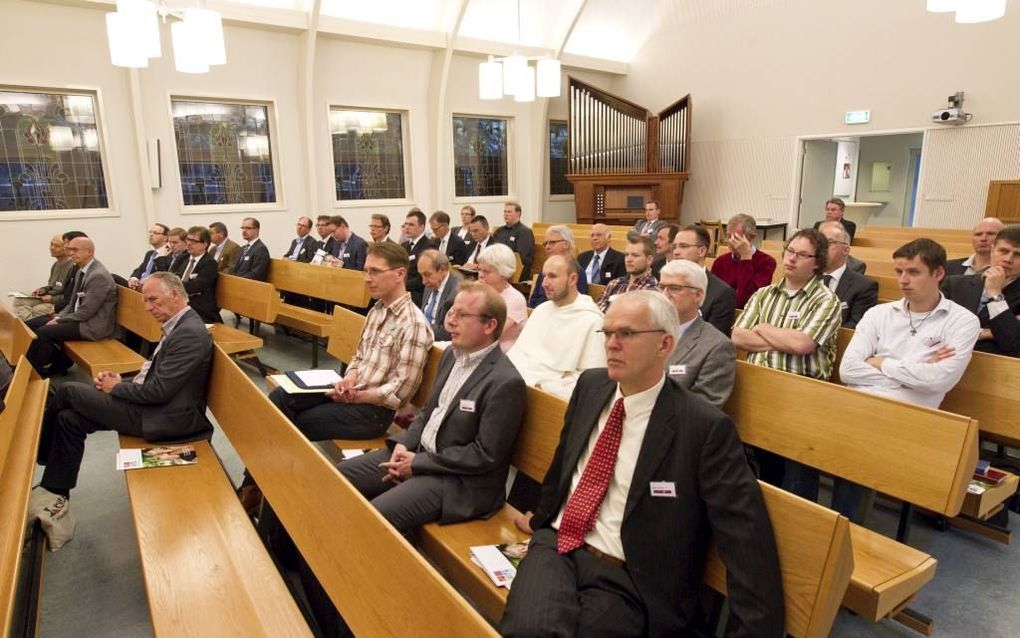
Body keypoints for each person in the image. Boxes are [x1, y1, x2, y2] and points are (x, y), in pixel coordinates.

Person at [501, 290, 784, 638]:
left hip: (629, 578)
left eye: (627, 334)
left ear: (665, 345)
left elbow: (746, 540)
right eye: (607, 333)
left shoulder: (703, 427)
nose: (612, 344)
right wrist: (542, 515)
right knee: (527, 629)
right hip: (558, 545)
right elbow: (564, 464)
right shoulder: (591, 386)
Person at [296, 283, 527, 636]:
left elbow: (485, 455)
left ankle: (353, 620)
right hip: (420, 456)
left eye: (461, 315)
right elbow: (428, 412)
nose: (450, 321)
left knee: (374, 520)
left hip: (460, 482)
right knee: (336, 479)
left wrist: (416, 465)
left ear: (490, 326)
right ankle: (315, 581)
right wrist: (405, 445)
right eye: (451, 311)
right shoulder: (451, 355)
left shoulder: (504, 381)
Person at [28, 272, 214, 549]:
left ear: (175, 295)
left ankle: (37, 453)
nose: (148, 307)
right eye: (146, 301)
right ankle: (55, 490)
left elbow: (158, 392)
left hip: (163, 419)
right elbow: (153, 378)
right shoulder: (179, 323)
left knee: (68, 391)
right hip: (153, 407)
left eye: (153, 300)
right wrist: (121, 382)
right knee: (68, 419)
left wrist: (116, 388)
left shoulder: (189, 333)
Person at [839, 238, 980, 521]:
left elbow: (940, 381)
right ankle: (825, 525)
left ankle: (847, 528)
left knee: (853, 447)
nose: (903, 280)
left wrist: (882, 362)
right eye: (899, 271)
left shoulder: (962, 321)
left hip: (914, 418)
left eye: (913, 272)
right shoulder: (878, 314)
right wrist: (913, 372)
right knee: (807, 435)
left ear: (938, 274)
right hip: (862, 409)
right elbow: (848, 371)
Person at [266, 242, 433, 441]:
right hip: (353, 392)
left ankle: (264, 470)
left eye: (375, 272)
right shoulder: (377, 310)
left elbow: (401, 392)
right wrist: (350, 377)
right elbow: (360, 355)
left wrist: (356, 396)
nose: (367, 279)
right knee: (281, 397)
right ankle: (260, 470)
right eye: (366, 271)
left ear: (399, 274)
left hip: (373, 412)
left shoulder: (413, 324)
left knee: (300, 422)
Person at [732, 229, 841, 488]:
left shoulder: (827, 300)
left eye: (802, 255)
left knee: (793, 479)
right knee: (756, 466)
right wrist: (785, 340)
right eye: (790, 251)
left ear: (817, 263)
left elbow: (803, 344)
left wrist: (765, 329)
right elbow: (738, 337)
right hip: (757, 387)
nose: (792, 259)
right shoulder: (764, 294)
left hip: (800, 393)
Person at [508, 255, 606, 399]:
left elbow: (590, 381)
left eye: (552, 276)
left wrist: (543, 387)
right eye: (544, 276)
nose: (544, 284)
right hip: (517, 386)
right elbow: (518, 354)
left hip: (548, 398)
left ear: (572, 279)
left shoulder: (592, 321)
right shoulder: (542, 310)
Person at [26, 237, 117, 377]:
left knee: (44, 332)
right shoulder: (82, 270)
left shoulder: (98, 276)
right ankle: (59, 361)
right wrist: (60, 316)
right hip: (80, 319)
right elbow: (72, 302)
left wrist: (60, 320)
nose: (71, 253)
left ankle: (32, 375)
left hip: (92, 326)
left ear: (89, 252)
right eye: (69, 250)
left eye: (75, 250)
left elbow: (86, 312)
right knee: (31, 324)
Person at [659, 260, 736, 407]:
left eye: (674, 288)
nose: (664, 295)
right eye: (661, 287)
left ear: (698, 295)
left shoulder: (717, 347)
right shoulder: (645, 329)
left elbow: (703, 411)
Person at [943, 226, 1020, 356]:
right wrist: (985, 333)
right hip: (944, 358)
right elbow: (932, 326)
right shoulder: (954, 283)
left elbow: (1014, 345)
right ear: (992, 251)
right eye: (1003, 251)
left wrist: (995, 294)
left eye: (1017, 254)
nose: (1008, 259)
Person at [671, 225, 736, 336]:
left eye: (683, 246)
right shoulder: (666, 285)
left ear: (701, 251)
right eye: (674, 247)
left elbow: (713, 342)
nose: (676, 252)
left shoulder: (721, 293)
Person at [818, 221, 878, 328]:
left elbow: (856, 326)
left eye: (829, 242)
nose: (822, 248)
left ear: (846, 250)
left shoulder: (864, 286)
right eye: (819, 243)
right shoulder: (806, 277)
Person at [710, 213, 777, 309]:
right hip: (721, 311)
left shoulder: (767, 262)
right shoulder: (720, 262)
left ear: (751, 237)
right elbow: (712, 296)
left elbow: (746, 300)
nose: (730, 241)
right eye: (729, 236)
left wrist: (745, 257)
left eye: (736, 237)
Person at [476, 244, 528, 351]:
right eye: (479, 270)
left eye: (486, 271)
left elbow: (490, 335)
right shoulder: (480, 291)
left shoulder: (515, 299)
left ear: (503, 273)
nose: (480, 275)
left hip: (502, 356)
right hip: (479, 349)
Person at [13, 235, 73, 321]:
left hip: (57, 301)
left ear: (66, 248)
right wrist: (43, 289)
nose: (52, 248)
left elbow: (69, 295)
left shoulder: (72, 267)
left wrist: (52, 299)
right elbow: (51, 285)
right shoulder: (56, 265)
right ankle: (28, 328)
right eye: (51, 244)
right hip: (48, 296)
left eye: (57, 246)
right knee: (19, 300)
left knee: (36, 310)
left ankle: (28, 329)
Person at [529, 225, 587, 308]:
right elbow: (534, 298)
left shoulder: (576, 271)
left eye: (552, 243)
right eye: (545, 244)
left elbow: (575, 305)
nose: (547, 247)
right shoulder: (546, 267)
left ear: (566, 244)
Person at [596, 236, 658, 312]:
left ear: (649, 260)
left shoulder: (653, 289)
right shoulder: (614, 283)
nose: (628, 259)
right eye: (626, 255)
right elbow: (598, 312)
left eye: (635, 255)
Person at [172, 226, 220, 324]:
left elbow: (195, 287)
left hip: (199, 310)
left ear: (205, 244)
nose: (189, 243)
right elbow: (169, 277)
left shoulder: (209, 263)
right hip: (180, 304)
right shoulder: (183, 257)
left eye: (194, 241)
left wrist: (175, 284)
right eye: (188, 239)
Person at [418, 249, 461, 341]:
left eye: (427, 275)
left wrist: (418, 330)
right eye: (421, 275)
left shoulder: (457, 291)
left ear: (442, 269)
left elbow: (449, 330)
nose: (423, 281)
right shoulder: (431, 283)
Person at [492, 201, 536, 281]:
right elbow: (491, 249)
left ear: (518, 214)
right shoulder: (499, 231)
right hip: (498, 267)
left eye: (509, 212)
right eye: (505, 212)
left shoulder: (524, 232)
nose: (506, 214)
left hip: (516, 271)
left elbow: (520, 257)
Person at [401, 210, 436, 307]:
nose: (407, 227)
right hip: (403, 290)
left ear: (421, 227)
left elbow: (423, 277)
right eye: (406, 224)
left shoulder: (429, 246)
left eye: (411, 225)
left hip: (418, 293)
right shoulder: (404, 246)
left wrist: (401, 284)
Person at [127, 223, 170, 290]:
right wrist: (133, 279)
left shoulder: (168, 254)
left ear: (165, 238)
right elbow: (140, 270)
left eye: (155, 233)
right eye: (150, 232)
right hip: (138, 286)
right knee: (114, 278)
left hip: (152, 288)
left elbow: (162, 276)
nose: (151, 235)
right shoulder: (150, 254)